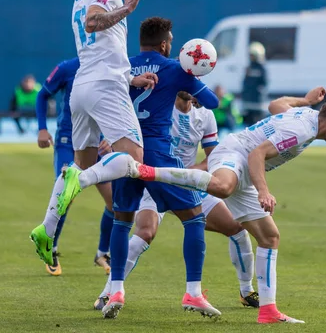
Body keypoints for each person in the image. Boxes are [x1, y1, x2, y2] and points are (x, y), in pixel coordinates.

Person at [130, 88, 326, 324]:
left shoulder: (307, 114)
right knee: (223, 187)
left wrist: (307, 100)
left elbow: (276, 105)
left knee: (270, 237)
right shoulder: (302, 130)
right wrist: (264, 191)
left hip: (247, 171)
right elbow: (257, 155)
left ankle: (268, 310)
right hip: (235, 153)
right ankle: (151, 172)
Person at [57, 17, 221, 319]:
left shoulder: (123, 67)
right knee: (194, 219)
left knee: (122, 221)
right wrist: (192, 72)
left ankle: (116, 288)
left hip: (125, 152)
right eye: (170, 41)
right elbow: (212, 102)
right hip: (157, 154)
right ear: (164, 44)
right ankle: (193, 293)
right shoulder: (174, 69)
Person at [29, 0, 156, 287]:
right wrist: (128, 7)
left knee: (81, 164)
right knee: (134, 157)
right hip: (104, 85)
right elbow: (94, 22)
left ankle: (46, 229)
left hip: (84, 85)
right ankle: (79, 184)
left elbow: (98, 43)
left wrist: (132, 77)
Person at [93, 91, 259, 311]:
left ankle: (246, 291)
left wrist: (187, 173)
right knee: (145, 232)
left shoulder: (205, 115)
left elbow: (213, 158)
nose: (189, 85)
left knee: (237, 228)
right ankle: (108, 293)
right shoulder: (159, 106)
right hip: (153, 180)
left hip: (187, 184)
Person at [34, 58, 115, 276]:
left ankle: (102, 253)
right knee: (65, 197)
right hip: (68, 142)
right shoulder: (67, 68)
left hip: (98, 144)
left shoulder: (113, 67)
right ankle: (52, 249)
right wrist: (42, 128)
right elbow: (42, 95)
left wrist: (112, 136)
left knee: (114, 203)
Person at [241, 42, 268, 127]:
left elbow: (264, 83)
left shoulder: (262, 68)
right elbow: (245, 82)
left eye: (253, 55)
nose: (251, 57)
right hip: (248, 102)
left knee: (258, 126)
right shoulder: (249, 67)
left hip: (258, 103)